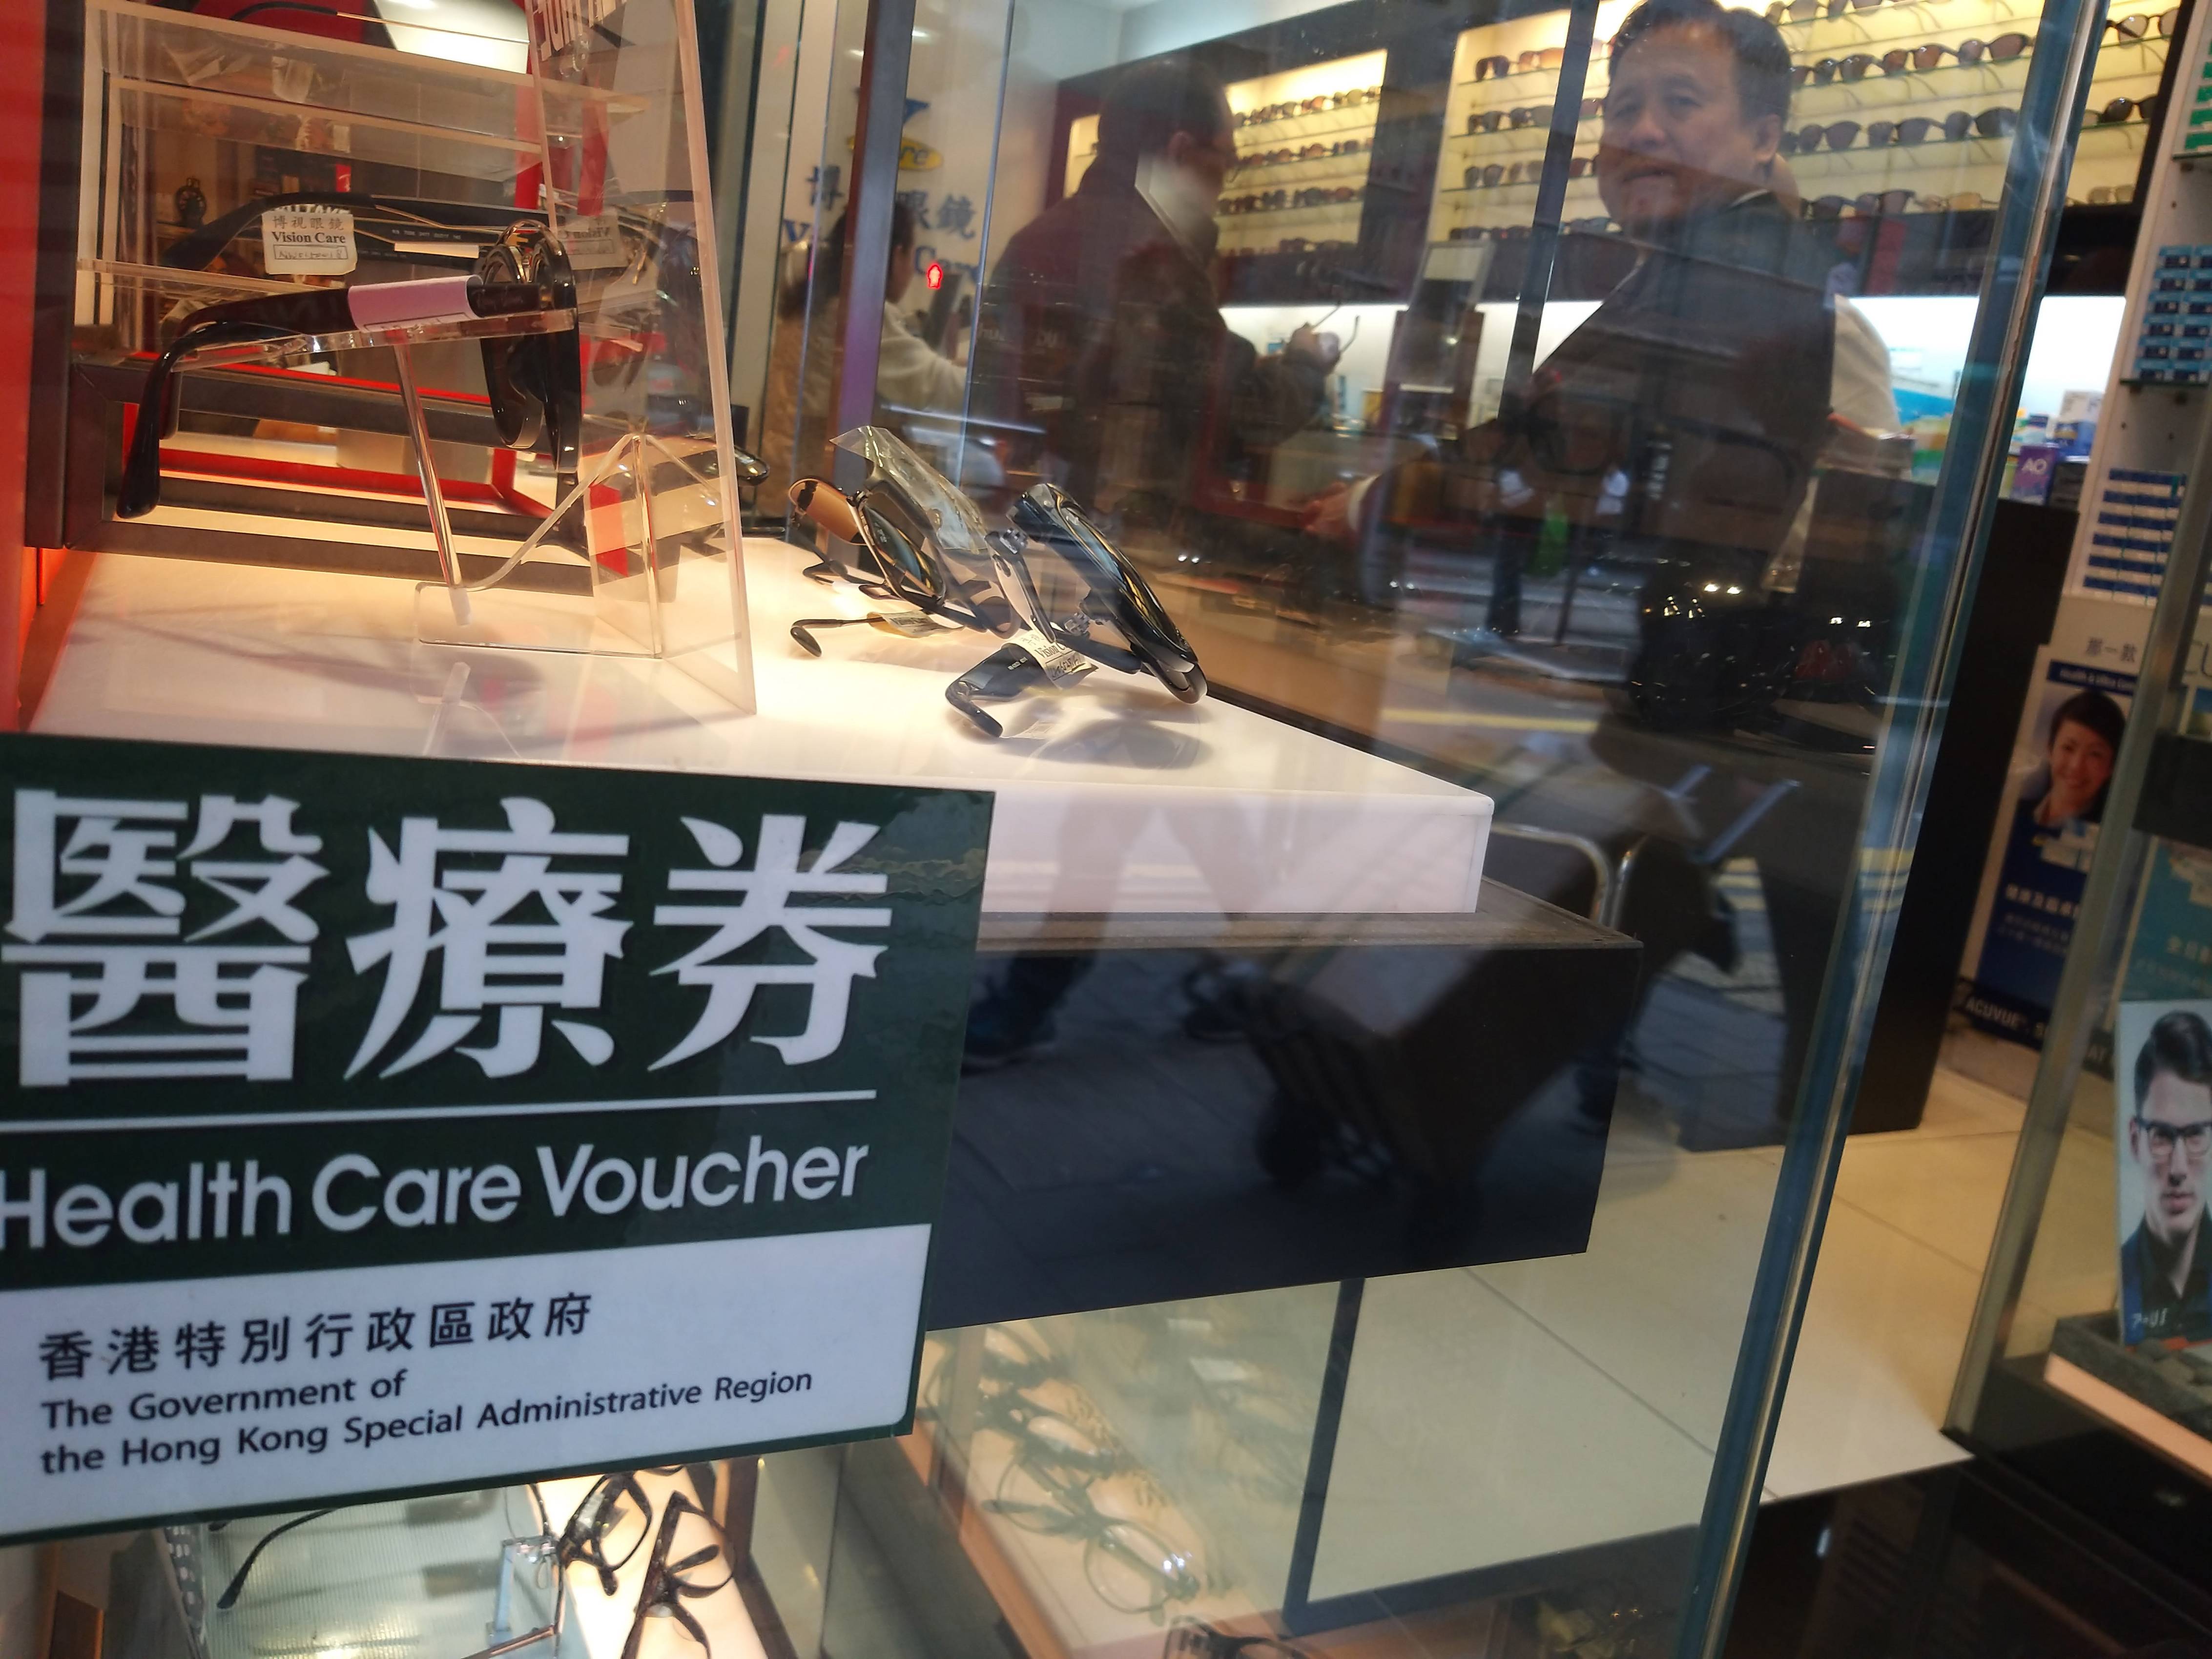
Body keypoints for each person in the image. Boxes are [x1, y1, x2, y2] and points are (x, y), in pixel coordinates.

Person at [970, 56, 1337, 518]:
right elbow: (1240, 412)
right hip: (1118, 530)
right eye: (1226, 158)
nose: (1225, 181)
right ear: (1180, 151)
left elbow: (990, 397)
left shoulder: (1034, 240)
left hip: (1022, 514)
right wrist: (1306, 363)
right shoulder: (1156, 260)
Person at [758, 202, 967, 496]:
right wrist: (992, 386)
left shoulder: (819, 302)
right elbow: (932, 385)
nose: (911, 271)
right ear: (897, 255)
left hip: (782, 481)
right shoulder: (859, 312)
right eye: (911, 256)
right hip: (814, 493)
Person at [2122, 1009, 2212, 1345]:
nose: (2178, 1168)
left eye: (2196, 1135)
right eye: (2161, 1135)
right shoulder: (2117, 1277)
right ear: (2135, 1140)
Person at [2026, 688, 2124, 830]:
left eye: (2095, 754)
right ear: (2050, 750)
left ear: (2112, 767)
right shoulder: (2012, 810)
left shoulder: (2110, 832)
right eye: (2068, 748)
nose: (2076, 766)